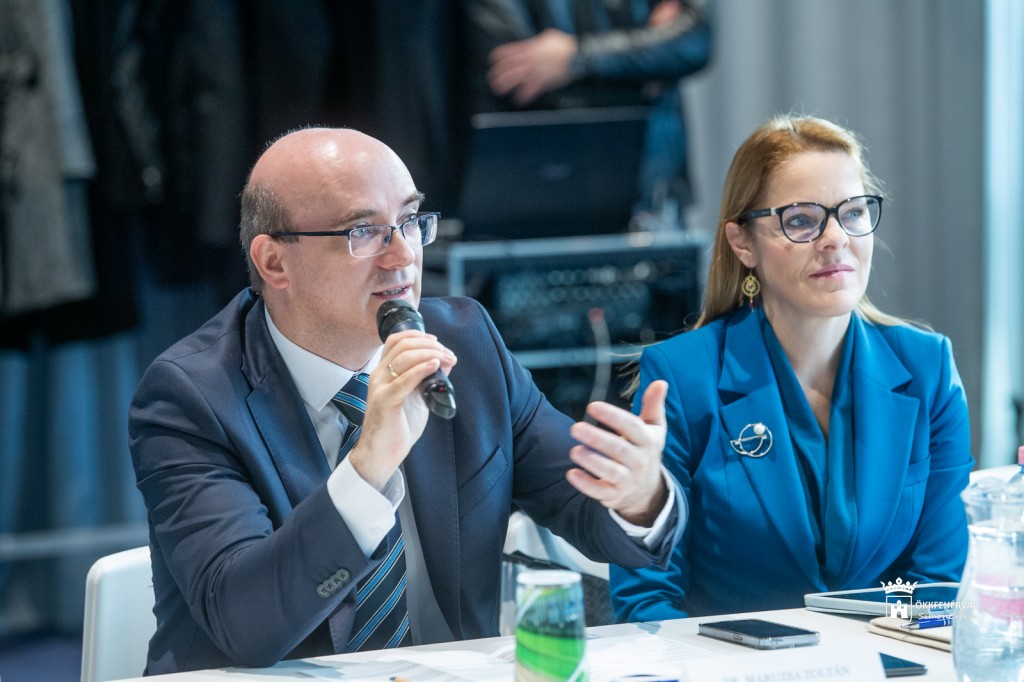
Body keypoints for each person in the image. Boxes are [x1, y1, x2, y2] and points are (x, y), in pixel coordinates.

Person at [128, 126, 684, 674]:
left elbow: (587, 508)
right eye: (363, 231)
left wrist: (638, 495)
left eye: (411, 221)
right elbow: (246, 626)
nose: (402, 256)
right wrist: (367, 467)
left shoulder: (467, 342)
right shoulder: (191, 395)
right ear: (275, 262)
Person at [608, 114, 973, 622]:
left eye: (852, 212)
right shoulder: (682, 376)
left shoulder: (928, 367)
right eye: (801, 220)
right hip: (728, 663)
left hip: (885, 659)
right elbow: (645, 601)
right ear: (742, 243)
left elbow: (938, 592)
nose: (835, 238)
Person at [462, 0, 712, 217]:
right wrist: (645, 61)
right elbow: (515, 72)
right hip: (535, 190)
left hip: (652, 187)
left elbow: (694, 42)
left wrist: (575, 58)